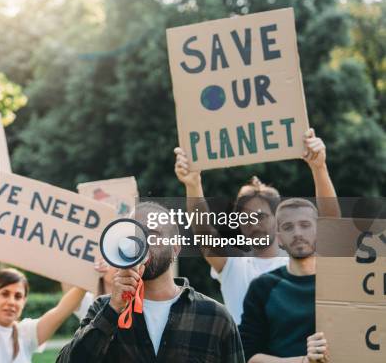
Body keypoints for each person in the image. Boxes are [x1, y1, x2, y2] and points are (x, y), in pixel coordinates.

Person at [174, 128, 340, 324]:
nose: (254, 223)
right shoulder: (233, 265)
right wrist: (193, 185)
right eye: (246, 218)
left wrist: (319, 168)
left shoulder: (302, 260)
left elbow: (332, 225)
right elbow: (204, 235)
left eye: (261, 216)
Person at [57, 202, 245, 363]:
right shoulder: (103, 308)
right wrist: (112, 310)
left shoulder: (215, 317)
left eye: (153, 234)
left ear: (175, 249)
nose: (143, 243)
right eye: (136, 235)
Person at [239, 198, 329, 362]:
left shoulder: (340, 284)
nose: (297, 233)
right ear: (279, 238)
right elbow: (248, 356)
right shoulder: (262, 287)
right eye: (288, 227)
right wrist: (304, 361)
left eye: (305, 225)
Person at [0, 268, 87, 363]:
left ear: (24, 301)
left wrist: (89, 277)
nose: (11, 302)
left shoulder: (26, 333)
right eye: (5, 294)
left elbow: (61, 311)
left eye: (18, 296)